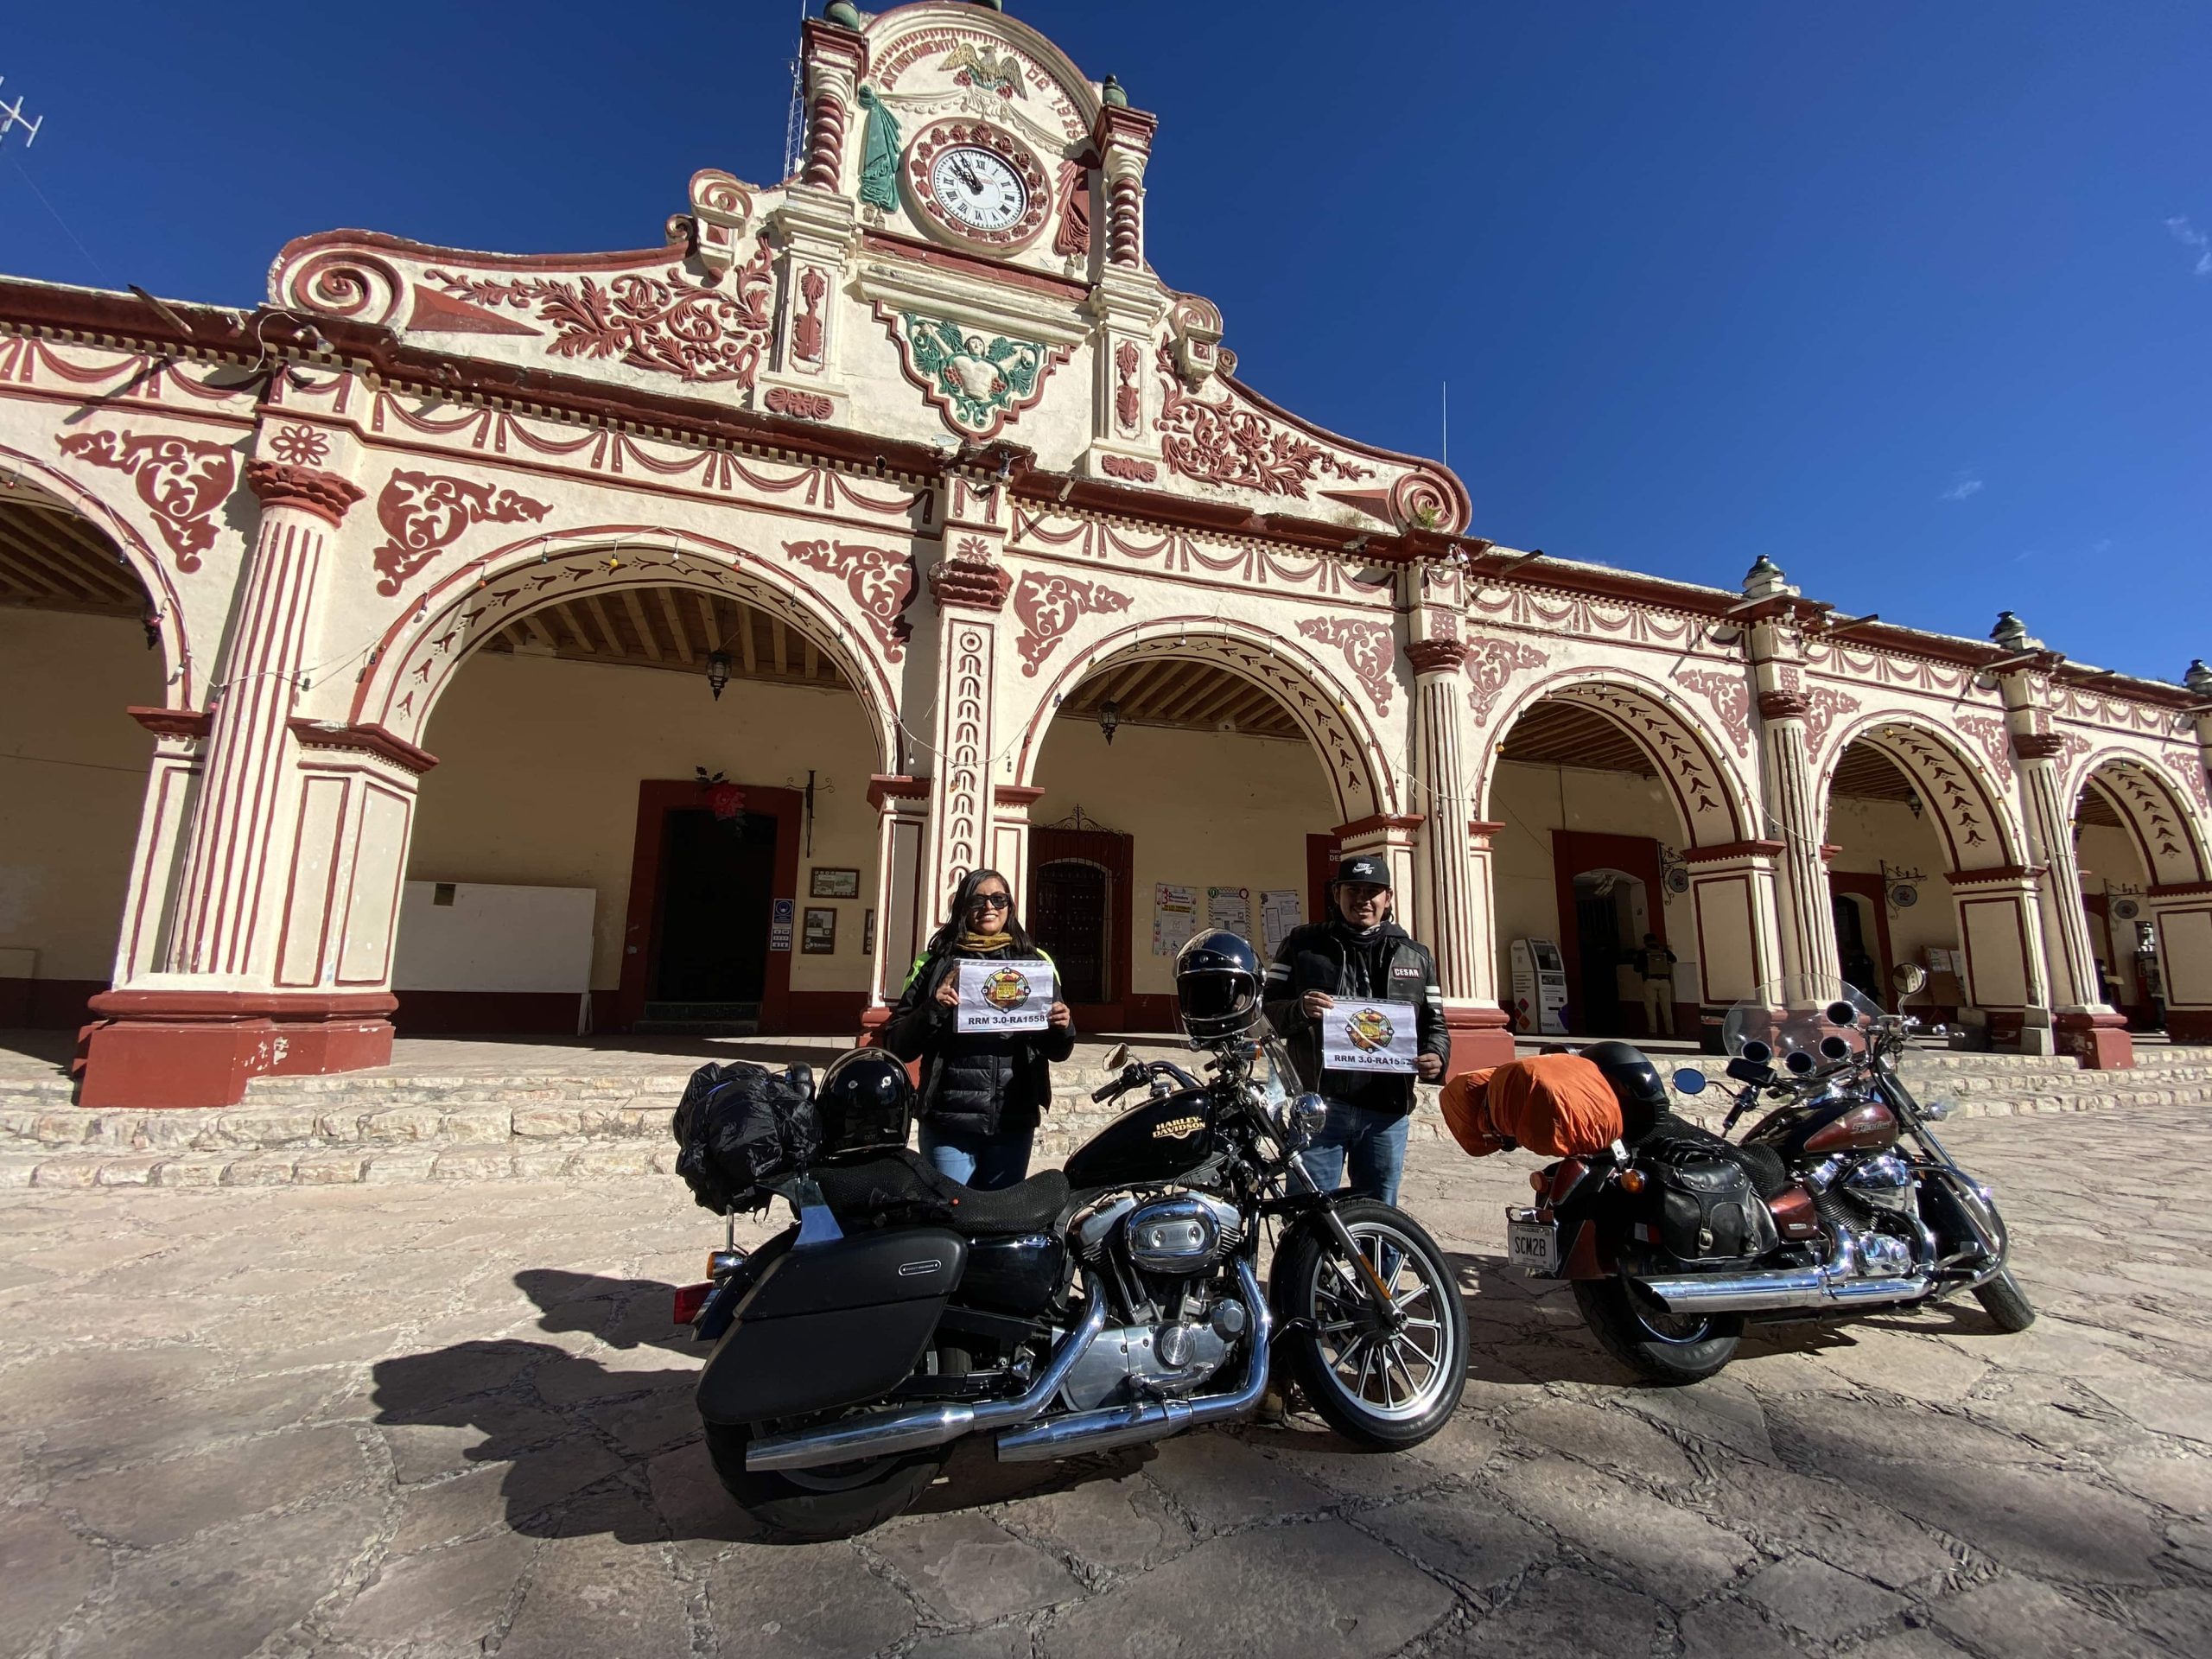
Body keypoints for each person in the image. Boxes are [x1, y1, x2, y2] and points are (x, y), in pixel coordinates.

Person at [1262, 854, 1447, 1205]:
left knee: (1379, 1214)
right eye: (1353, 890)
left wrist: (1436, 1056)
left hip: (1386, 1111)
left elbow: (1435, 1026)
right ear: (1337, 894)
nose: (1363, 899)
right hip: (1320, 1107)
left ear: (1388, 898)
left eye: (1372, 891)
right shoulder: (1301, 945)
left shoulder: (1416, 956)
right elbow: (1264, 1013)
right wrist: (1299, 1009)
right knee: (1306, 1213)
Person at [880, 867, 1074, 1190]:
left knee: (1000, 1214)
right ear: (962, 906)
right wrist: (933, 1007)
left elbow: (1059, 1050)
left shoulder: (1036, 963)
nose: (989, 907)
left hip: (1013, 1118)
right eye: (978, 900)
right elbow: (897, 1045)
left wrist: (1062, 1027)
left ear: (1009, 906)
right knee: (951, 1212)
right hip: (948, 1121)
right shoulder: (933, 962)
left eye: (998, 899)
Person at [1632, 932, 1677, 1037]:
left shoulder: (1643, 953)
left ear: (1645, 942)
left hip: (1650, 981)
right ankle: (1670, 1031)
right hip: (1665, 981)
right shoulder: (1664, 951)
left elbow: (1637, 969)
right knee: (1667, 1008)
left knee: (1650, 1008)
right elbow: (1674, 959)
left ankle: (1653, 1031)